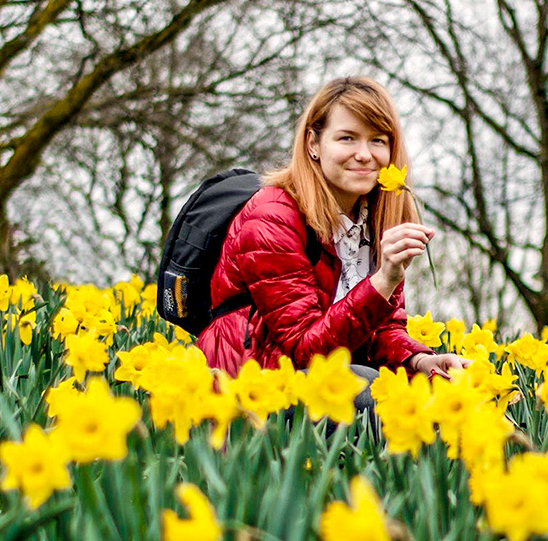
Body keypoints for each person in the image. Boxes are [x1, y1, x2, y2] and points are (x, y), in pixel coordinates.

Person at [195, 76, 466, 384]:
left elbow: (379, 331)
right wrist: (381, 281)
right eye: (347, 138)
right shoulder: (273, 216)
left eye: (377, 140)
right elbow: (304, 349)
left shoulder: (374, 221)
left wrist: (420, 359)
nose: (364, 154)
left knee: (448, 392)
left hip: (324, 383)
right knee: (369, 394)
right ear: (313, 143)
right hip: (251, 386)